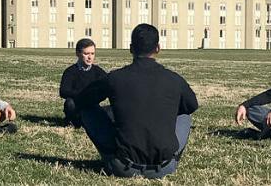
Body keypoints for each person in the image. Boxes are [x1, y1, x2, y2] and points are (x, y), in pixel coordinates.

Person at [73, 24, 198, 179]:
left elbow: (82, 100)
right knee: (185, 115)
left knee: (87, 110)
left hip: (122, 166)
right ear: (158, 48)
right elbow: (192, 105)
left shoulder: (115, 78)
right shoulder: (173, 79)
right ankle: (169, 157)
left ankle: (112, 156)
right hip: (165, 167)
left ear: (131, 48)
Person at [59, 38, 107, 128]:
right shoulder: (70, 71)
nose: (90, 57)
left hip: (92, 105)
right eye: (86, 54)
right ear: (78, 54)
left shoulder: (98, 71)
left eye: (92, 54)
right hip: (76, 106)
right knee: (69, 103)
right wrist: (83, 95)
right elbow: (63, 91)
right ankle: (73, 121)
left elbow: (108, 84)